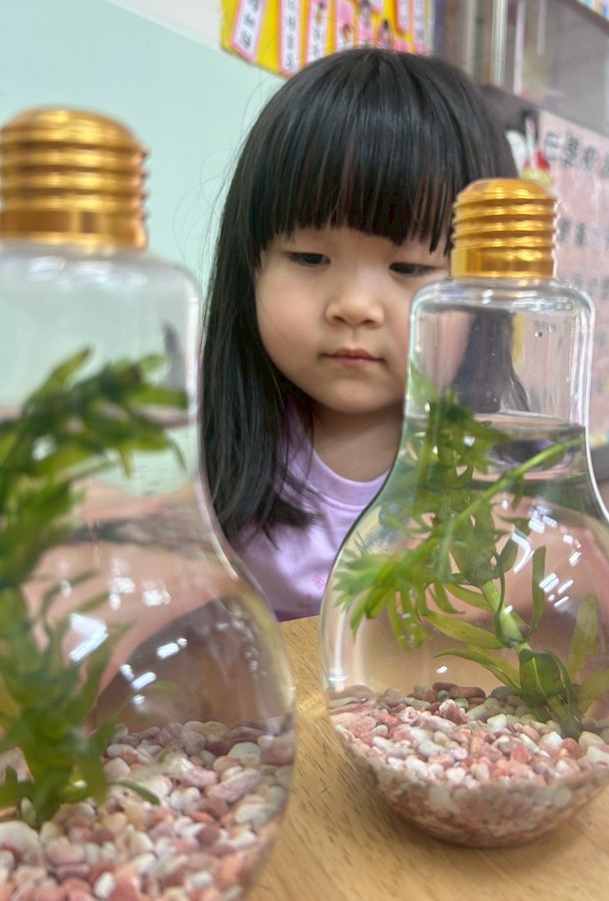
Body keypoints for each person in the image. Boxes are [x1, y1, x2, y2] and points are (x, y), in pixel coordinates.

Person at [202, 48, 516, 621]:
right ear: (250, 266)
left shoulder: (496, 471)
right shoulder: (207, 438)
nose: (354, 306)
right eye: (309, 257)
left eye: (409, 268)